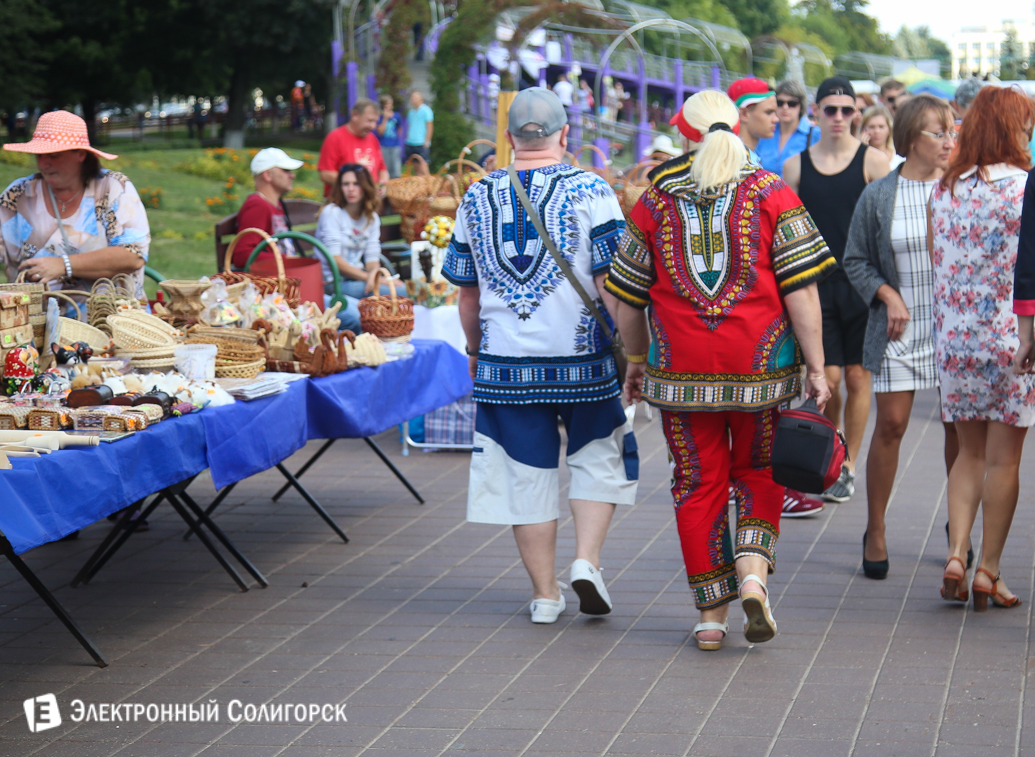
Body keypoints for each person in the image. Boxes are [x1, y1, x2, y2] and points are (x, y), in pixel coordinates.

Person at [609, 90, 834, 650]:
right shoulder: (770, 190)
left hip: (680, 374)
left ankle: (711, 618)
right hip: (761, 371)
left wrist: (635, 360)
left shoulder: (655, 197)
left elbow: (627, 298)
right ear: (736, 126)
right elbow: (802, 292)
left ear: (685, 133)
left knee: (696, 483)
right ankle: (753, 576)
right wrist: (817, 367)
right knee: (759, 472)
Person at [442, 88, 638, 624]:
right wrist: (636, 351)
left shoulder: (476, 196)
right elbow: (613, 284)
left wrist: (475, 351)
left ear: (509, 137)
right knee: (598, 455)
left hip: (506, 363)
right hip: (583, 358)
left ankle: (546, 595)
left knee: (522, 471)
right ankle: (587, 561)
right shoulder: (592, 189)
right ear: (565, 134)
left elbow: (466, 294)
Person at [843, 95, 958, 580]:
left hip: (953, 327)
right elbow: (854, 259)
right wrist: (887, 294)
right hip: (900, 327)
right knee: (891, 425)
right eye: (940, 133)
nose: (950, 142)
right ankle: (875, 529)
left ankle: (959, 529)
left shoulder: (960, 188)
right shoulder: (880, 195)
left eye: (953, 132)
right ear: (911, 137)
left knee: (958, 429)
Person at [934, 86, 1034, 610]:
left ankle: (956, 552)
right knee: (1004, 460)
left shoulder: (945, 188)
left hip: (956, 337)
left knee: (968, 452)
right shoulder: (1024, 187)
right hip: (1012, 337)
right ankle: (988, 569)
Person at [785, 76, 891, 503]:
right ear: (816, 112)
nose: (839, 117)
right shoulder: (796, 166)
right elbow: (787, 235)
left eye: (848, 110)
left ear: (856, 114)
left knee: (858, 377)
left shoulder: (874, 162)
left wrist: (889, 289)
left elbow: (887, 230)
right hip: (815, 286)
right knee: (826, 378)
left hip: (862, 286)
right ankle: (831, 454)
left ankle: (848, 466)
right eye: (831, 109)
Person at [0, 111, 150, 301]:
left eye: (53, 155)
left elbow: (133, 255)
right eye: (39, 155)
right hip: (33, 317)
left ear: (80, 154)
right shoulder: (19, 194)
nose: (44, 163)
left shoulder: (112, 188)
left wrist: (64, 265)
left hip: (114, 315)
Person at [315, 164, 384, 333]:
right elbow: (335, 261)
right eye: (346, 184)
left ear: (365, 187)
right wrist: (368, 278)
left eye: (356, 184)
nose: (350, 189)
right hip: (333, 283)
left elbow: (372, 257)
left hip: (357, 279)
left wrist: (374, 274)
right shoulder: (332, 213)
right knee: (397, 290)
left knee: (395, 289)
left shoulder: (372, 218)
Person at [231, 148, 302, 269]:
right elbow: (241, 255)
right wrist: (285, 260)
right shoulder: (258, 205)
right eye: (286, 170)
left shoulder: (276, 205)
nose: (292, 175)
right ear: (267, 175)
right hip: (271, 277)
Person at [318, 99, 388, 198]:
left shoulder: (373, 139)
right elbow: (326, 174)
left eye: (376, 122)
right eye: (369, 121)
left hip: (368, 201)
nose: (373, 126)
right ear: (355, 115)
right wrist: (359, 186)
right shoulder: (335, 137)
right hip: (341, 201)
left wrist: (382, 184)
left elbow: (382, 169)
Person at [755, 79, 820, 177]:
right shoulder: (765, 131)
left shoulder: (815, 134)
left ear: (801, 106)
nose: (785, 107)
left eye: (792, 103)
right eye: (780, 103)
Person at [726, 77, 778, 162]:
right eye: (768, 112)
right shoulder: (735, 162)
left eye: (775, 112)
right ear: (744, 114)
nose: (776, 119)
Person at [376, 94, 403, 178]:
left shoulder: (397, 115)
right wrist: (385, 118)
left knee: (396, 168)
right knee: (385, 167)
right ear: (383, 105)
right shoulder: (380, 117)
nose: (389, 106)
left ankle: (397, 184)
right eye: (387, 104)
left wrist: (395, 138)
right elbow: (380, 132)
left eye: (390, 103)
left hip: (395, 145)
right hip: (384, 145)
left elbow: (400, 129)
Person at [404, 91, 434, 163]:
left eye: (415, 98)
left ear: (421, 98)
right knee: (414, 164)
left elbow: (430, 127)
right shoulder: (411, 112)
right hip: (410, 142)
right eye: (412, 98)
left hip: (421, 143)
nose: (412, 99)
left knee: (423, 164)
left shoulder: (426, 111)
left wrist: (427, 141)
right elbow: (409, 126)